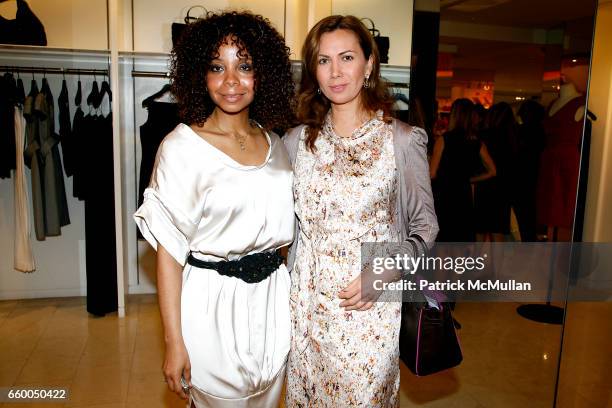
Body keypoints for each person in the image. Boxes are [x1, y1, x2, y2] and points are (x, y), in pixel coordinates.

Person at [133, 11, 295, 407]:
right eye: (216, 67)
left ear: (263, 74)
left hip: (273, 307)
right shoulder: (182, 148)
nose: (231, 82)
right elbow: (169, 256)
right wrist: (174, 343)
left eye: (244, 67)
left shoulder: (277, 145)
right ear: (200, 76)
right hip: (211, 310)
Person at [283, 15, 438, 407]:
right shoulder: (296, 141)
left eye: (347, 57)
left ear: (369, 64)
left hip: (369, 313)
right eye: (323, 60)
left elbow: (425, 227)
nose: (335, 72)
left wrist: (384, 269)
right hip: (304, 312)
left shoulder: (401, 140)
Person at [430, 98, 496, 242]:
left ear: (453, 115)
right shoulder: (477, 142)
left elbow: (432, 173)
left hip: (445, 197)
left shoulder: (443, 140)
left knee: (444, 244)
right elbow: (492, 171)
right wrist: (470, 179)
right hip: (464, 196)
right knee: (461, 243)